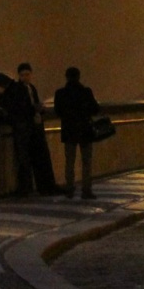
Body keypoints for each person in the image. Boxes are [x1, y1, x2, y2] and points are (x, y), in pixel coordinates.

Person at [54, 66, 100, 199]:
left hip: (69, 130)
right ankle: (86, 190)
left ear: (66, 77)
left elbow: (58, 111)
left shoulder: (60, 93)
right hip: (85, 130)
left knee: (69, 161)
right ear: (79, 77)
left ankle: (69, 189)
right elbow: (95, 109)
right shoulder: (86, 92)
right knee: (86, 161)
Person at [0, 71, 36, 196]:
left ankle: (24, 188)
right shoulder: (20, 88)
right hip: (27, 125)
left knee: (22, 157)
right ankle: (27, 187)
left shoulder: (12, 92)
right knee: (24, 157)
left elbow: (11, 109)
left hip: (20, 127)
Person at [17, 62, 58, 195]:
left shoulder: (31, 88)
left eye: (27, 74)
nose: (25, 77)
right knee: (33, 158)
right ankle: (40, 187)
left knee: (35, 158)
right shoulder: (21, 89)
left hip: (32, 126)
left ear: (31, 74)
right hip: (29, 127)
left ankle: (39, 187)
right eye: (22, 75)